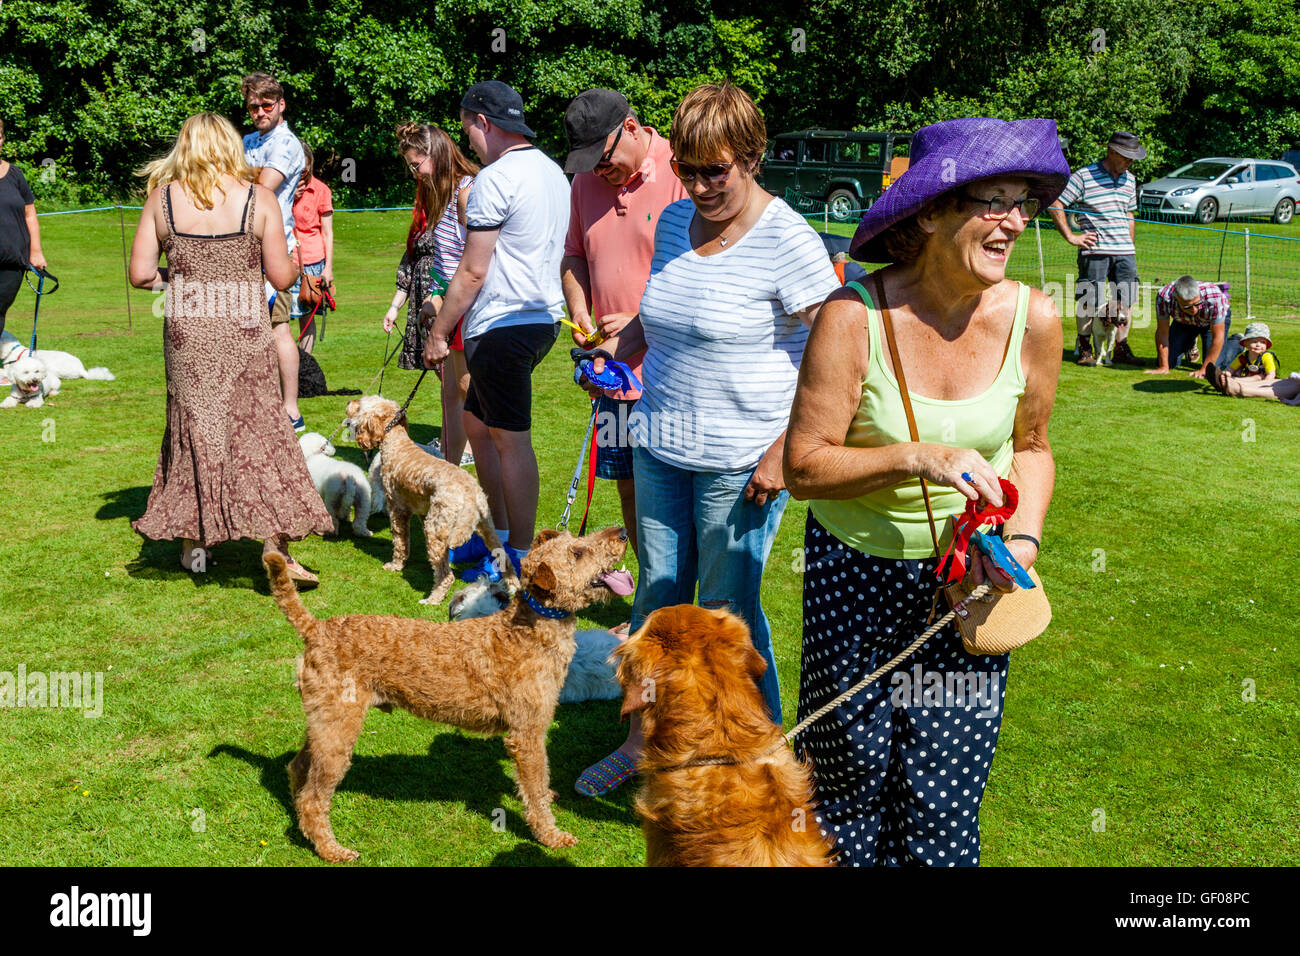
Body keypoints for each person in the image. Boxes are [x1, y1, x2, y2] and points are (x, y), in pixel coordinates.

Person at [783, 117, 1069, 866]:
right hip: (856, 578)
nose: (1012, 220)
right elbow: (803, 465)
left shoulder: (1035, 318)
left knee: (944, 798)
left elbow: (1034, 449)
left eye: (1022, 202)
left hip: (973, 584)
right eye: (991, 200)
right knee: (843, 784)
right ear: (932, 213)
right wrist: (916, 457)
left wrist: (1023, 543)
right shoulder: (855, 316)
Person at [571, 82, 839, 796]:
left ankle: (756, 761)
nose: (698, 185)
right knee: (656, 607)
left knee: (728, 622)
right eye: (687, 169)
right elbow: (661, 319)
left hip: (739, 466)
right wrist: (616, 351)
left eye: (715, 170)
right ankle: (643, 742)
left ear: (752, 158)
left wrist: (788, 448)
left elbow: (840, 354)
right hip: (660, 445)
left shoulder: (790, 240)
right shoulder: (675, 220)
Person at [128, 113, 332, 582]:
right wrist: (295, 261)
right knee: (260, 431)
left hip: (189, 332)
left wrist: (180, 280)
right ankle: (275, 546)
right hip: (244, 329)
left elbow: (141, 275)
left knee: (195, 430)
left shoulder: (163, 200)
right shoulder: (257, 198)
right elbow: (281, 278)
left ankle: (193, 546)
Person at [422, 81, 569, 578]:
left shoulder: (493, 178)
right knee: (477, 426)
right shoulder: (552, 171)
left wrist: (440, 332)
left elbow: (471, 271)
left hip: (504, 323)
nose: (467, 142)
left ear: (483, 122)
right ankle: (497, 537)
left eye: (467, 129)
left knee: (510, 439)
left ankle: (519, 557)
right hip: (539, 319)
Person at [560, 88, 688, 560]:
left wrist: (640, 319)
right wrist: (579, 308)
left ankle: (678, 610)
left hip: (671, 376)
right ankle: (648, 600)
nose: (597, 169)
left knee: (672, 499)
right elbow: (574, 254)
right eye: (588, 160)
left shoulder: (682, 169)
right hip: (612, 377)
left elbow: (705, 266)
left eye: (603, 155)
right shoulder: (583, 186)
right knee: (630, 491)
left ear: (632, 128)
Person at [384, 123, 478, 469]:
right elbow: (446, 264)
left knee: (471, 394)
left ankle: (484, 488)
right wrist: (434, 300)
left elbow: (476, 262)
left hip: (473, 310)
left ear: (436, 155)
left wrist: (444, 310)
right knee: (451, 394)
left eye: (416, 164)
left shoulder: (468, 193)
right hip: (453, 309)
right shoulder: (442, 197)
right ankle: (449, 473)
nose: (414, 173)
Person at [241, 72, 307, 431]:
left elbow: (262, 188)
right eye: (254, 106)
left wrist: (243, 175)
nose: (261, 112)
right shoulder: (249, 139)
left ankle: (291, 409)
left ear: (281, 104)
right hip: (243, 243)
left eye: (267, 105)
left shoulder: (286, 142)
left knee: (279, 326)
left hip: (275, 245)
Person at [1048, 131, 1144, 367]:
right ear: (1112, 151)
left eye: (1133, 158)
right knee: (1090, 301)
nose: (1130, 162)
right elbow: (1055, 202)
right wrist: (1071, 236)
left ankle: (1121, 348)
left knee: (1127, 300)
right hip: (1095, 251)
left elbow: (1129, 213)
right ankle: (1084, 347)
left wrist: (1129, 244)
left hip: (1125, 253)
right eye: (1126, 157)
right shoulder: (1084, 176)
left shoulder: (1129, 180)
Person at [0, 118, 47, 341]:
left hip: (12, 262)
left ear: (2, 140)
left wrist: (35, 252)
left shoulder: (15, 175)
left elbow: (30, 214)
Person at [289, 143, 333, 354]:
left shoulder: (321, 190)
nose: (301, 176)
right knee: (279, 316)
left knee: (306, 318)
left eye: (305, 170)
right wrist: (289, 198)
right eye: (296, 170)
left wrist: (328, 268)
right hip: (284, 260)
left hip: (312, 263)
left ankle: (304, 365)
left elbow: (327, 233)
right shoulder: (281, 189)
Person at [1145, 274, 1232, 377]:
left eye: (1197, 304)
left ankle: (1236, 342)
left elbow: (1218, 337)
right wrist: (1163, 367)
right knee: (1169, 361)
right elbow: (1162, 332)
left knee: (1214, 367)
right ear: (1176, 298)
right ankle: (1189, 342)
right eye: (1187, 306)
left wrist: (1204, 370)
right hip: (1183, 322)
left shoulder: (1215, 296)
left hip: (1210, 323)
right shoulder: (1164, 296)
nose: (1194, 310)